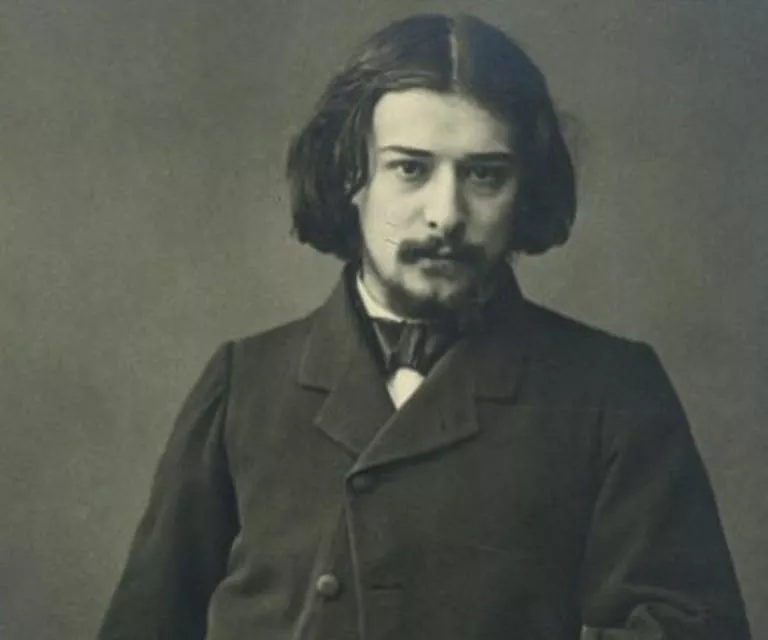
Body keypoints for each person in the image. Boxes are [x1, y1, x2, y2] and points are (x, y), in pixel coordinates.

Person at [97, 13, 751, 640]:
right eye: (410, 168)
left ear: (523, 190)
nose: (446, 213)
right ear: (351, 177)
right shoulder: (244, 385)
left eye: (484, 175)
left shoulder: (611, 392)